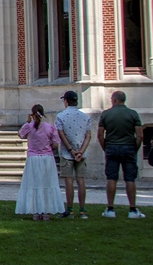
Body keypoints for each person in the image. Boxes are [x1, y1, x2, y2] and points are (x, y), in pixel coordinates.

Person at [97, 90, 145, 218]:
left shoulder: (106, 114)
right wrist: (135, 148)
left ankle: (110, 209)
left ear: (114, 100)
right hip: (129, 147)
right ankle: (132, 209)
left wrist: (105, 147)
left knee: (111, 178)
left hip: (111, 146)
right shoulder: (133, 114)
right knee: (130, 178)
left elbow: (100, 135)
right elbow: (139, 135)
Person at [15, 104, 64, 220]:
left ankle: (36, 211)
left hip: (33, 158)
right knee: (47, 183)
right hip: (47, 157)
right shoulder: (49, 127)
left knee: (34, 183)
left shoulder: (29, 126)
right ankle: (46, 211)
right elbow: (55, 144)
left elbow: (20, 134)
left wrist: (27, 122)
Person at [54, 90, 92, 219]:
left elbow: (61, 134)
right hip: (81, 153)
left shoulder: (61, 116)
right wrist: (81, 151)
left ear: (66, 101)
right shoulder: (85, 117)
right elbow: (88, 136)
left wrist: (71, 150)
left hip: (67, 153)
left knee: (68, 181)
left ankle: (69, 210)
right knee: (81, 180)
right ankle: (82, 210)